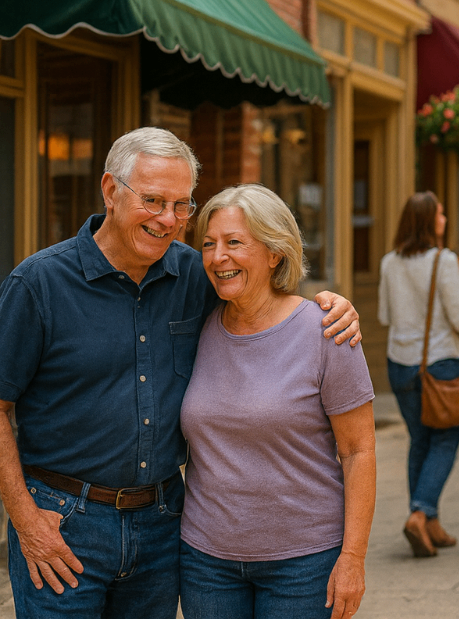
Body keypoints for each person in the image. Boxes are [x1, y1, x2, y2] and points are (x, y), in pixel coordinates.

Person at [0, 127, 359, 619]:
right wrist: (24, 519)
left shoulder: (198, 273)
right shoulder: (38, 284)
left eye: (182, 205)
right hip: (64, 524)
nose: (168, 219)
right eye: (152, 200)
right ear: (110, 190)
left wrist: (330, 305)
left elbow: (262, 298)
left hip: (163, 524)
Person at [181, 185, 376, 619]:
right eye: (209, 245)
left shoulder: (328, 331)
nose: (217, 257)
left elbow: (358, 451)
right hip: (205, 560)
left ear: (275, 252)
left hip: (304, 563)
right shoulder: (196, 327)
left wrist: (353, 558)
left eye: (234, 243)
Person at [379, 192, 459, 558]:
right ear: (426, 221)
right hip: (439, 364)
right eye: (440, 214)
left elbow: (386, 316)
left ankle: (429, 522)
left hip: (399, 364)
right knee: (446, 439)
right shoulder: (444, 260)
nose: (445, 219)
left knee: (420, 440)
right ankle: (420, 513)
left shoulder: (389, 262)